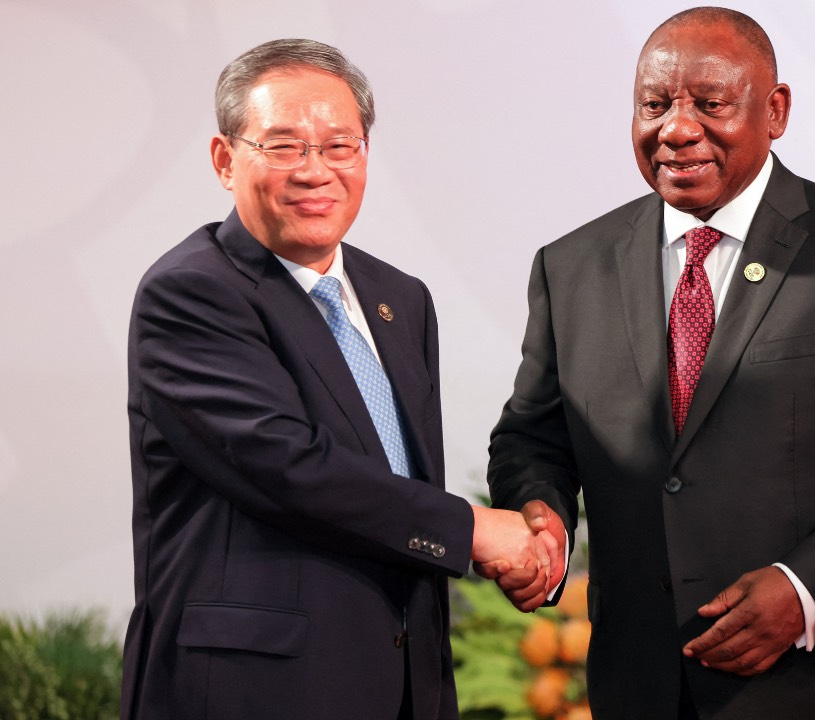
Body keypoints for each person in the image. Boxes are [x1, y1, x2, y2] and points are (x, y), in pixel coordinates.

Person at [484, 7, 815, 719]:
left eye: (710, 104)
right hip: (646, 683)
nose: (676, 129)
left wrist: (805, 589)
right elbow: (534, 437)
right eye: (655, 104)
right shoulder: (570, 267)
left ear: (775, 111)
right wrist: (542, 517)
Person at [122, 39, 557, 720]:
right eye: (284, 146)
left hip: (404, 680)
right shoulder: (191, 292)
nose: (314, 170)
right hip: (254, 690)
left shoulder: (399, 298)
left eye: (338, 146)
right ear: (224, 159)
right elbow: (287, 466)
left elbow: (399, 485)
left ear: (365, 154)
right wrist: (472, 530)